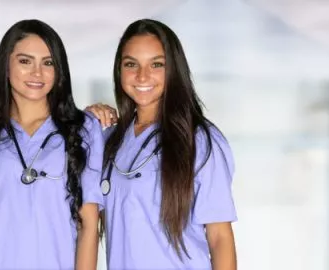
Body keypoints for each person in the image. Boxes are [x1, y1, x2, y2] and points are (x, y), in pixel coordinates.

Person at [0, 19, 104, 269]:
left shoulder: (84, 129)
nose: (37, 73)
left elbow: (89, 225)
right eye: (25, 61)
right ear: (5, 66)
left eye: (48, 63)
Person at [97, 19, 238, 270]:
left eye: (157, 64)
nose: (142, 76)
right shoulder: (110, 141)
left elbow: (219, 237)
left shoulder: (200, 141)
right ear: (119, 70)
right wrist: (87, 121)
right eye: (131, 64)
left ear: (174, 69)